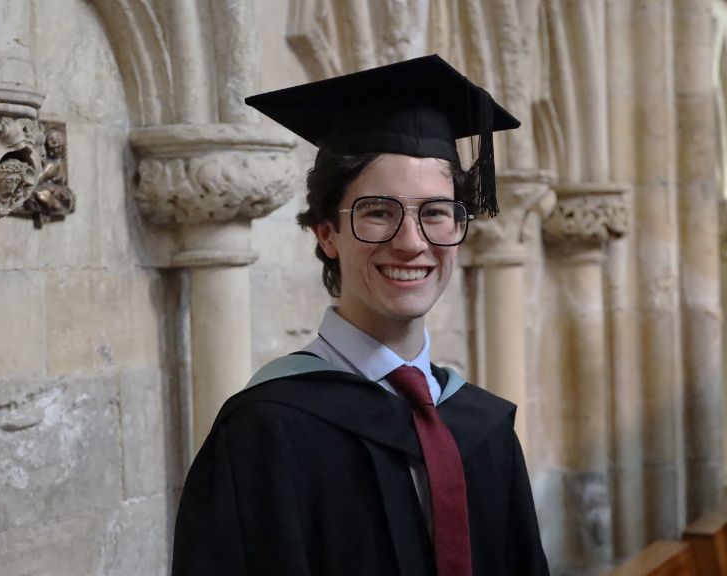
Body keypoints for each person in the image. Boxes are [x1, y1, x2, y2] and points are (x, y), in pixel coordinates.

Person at [171, 55, 550, 576]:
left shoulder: (482, 428)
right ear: (326, 232)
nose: (412, 243)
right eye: (378, 212)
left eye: (436, 212)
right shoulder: (265, 430)